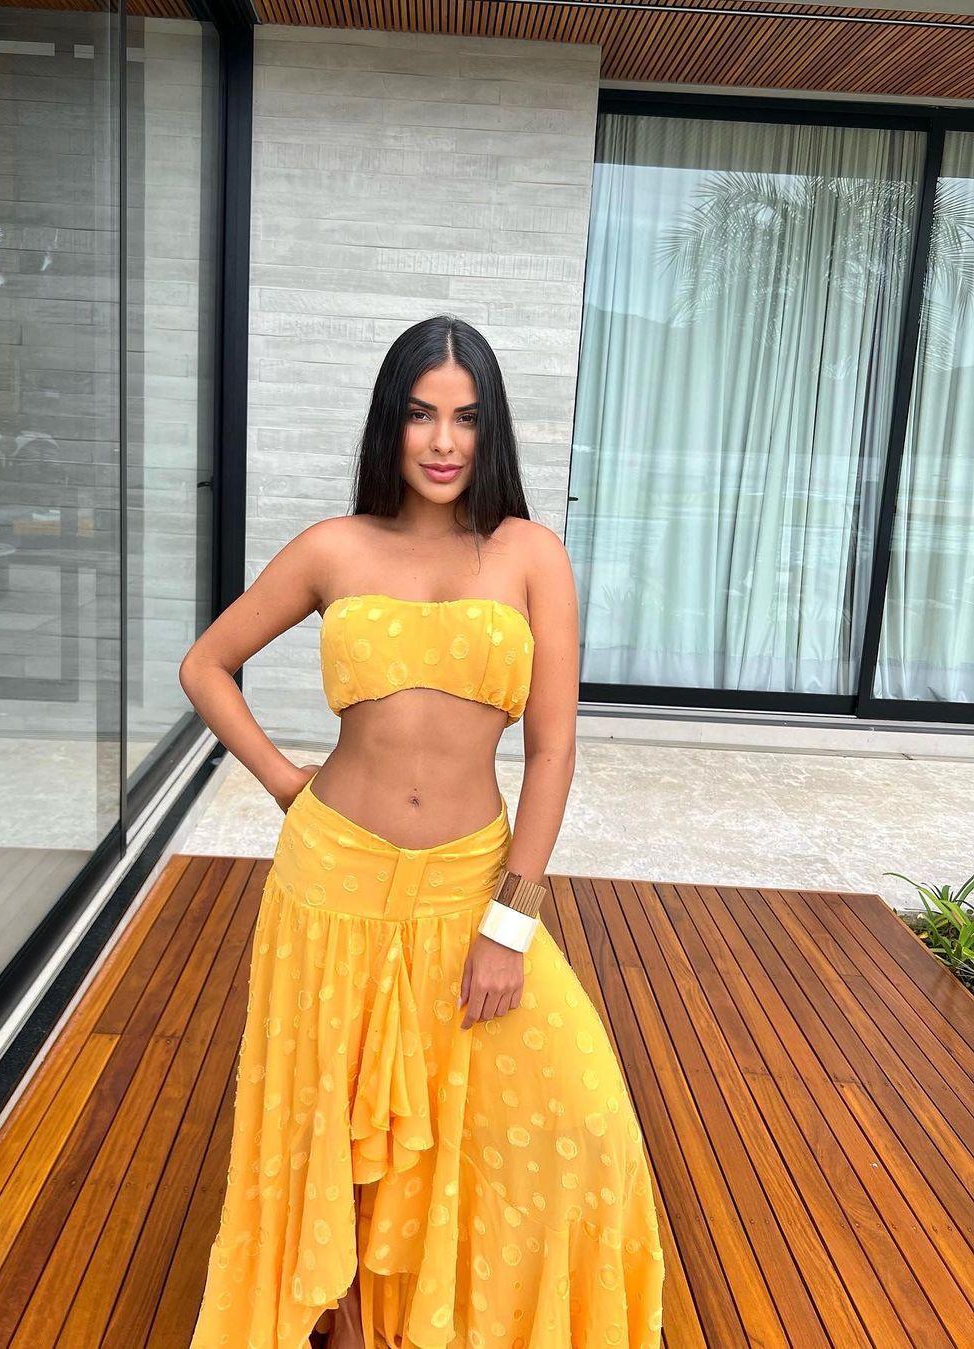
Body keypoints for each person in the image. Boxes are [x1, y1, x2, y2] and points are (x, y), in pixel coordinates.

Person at [180, 315, 664, 1348]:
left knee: (581, 1119)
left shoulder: (530, 554)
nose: (443, 441)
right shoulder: (334, 547)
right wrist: (284, 782)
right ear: (389, 425)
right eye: (421, 414)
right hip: (330, 882)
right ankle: (353, 1323)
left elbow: (552, 751)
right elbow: (205, 664)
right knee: (334, 1109)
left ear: (492, 432)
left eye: (466, 418)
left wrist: (511, 922)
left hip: (465, 887)